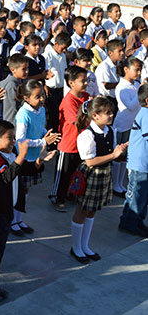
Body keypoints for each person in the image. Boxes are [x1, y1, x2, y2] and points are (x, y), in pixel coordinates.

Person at [0, 120, 51, 303]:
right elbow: (6, 178)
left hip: (5, 213)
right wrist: (21, 156)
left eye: (13, 137)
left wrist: (40, 159)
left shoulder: (11, 155)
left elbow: (25, 169)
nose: (13, 141)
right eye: (9, 138)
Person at [70, 97, 128, 263]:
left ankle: (85, 245)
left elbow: (113, 153)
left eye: (111, 112)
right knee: (81, 210)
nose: (111, 115)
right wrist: (113, 155)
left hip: (104, 174)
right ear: (95, 115)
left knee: (92, 210)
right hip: (91, 175)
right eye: (107, 113)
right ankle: (76, 247)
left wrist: (119, 151)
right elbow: (89, 161)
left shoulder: (111, 131)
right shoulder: (87, 135)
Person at [12, 81, 60, 236]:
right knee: (19, 190)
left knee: (25, 190)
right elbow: (21, 140)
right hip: (25, 158)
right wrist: (43, 141)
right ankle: (14, 221)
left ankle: (19, 219)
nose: (42, 99)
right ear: (26, 98)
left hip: (35, 157)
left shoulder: (39, 111)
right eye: (37, 96)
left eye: (42, 95)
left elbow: (39, 128)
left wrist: (47, 134)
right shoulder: (24, 114)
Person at [50, 66, 90, 211]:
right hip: (68, 144)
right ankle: (56, 197)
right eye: (82, 81)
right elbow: (77, 122)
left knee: (76, 173)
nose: (86, 83)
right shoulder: (69, 101)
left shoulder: (86, 97)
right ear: (71, 82)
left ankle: (70, 194)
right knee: (63, 174)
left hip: (81, 144)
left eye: (86, 80)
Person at [119, 84, 148, 237]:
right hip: (139, 164)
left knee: (144, 196)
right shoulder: (146, 113)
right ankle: (128, 222)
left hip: (145, 164)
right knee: (136, 195)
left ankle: (138, 221)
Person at [113, 57, 142, 196]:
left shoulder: (135, 85)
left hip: (133, 125)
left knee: (126, 156)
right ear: (126, 70)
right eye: (136, 69)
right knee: (118, 154)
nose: (138, 73)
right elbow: (130, 106)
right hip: (122, 125)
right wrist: (140, 92)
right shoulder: (122, 87)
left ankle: (120, 184)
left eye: (140, 70)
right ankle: (114, 185)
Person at [43, 32, 71, 131]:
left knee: (59, 115)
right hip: (50, 90)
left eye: (66, 48)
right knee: (50, 116)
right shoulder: (47, 55)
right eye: (63, 48)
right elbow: (44, 73)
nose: (64, 50)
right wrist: (45, 86)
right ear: (56, 44)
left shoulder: (63, 55)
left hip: (61, 89)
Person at [0, 53, 29, 125]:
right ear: (13, 70)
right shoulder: (11, 85)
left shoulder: (21, 80)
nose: (27, 71)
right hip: (12, 123)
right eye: (24, 69)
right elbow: (16, 107)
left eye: (27, 68)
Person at [96, 39, 124, 106]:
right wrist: (122, 84)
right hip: (107, 100)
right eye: (119, 51)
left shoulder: (118, 64)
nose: (122, 53)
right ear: (110, 53)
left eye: (122, 50)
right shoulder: (104, 66)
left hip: (117, 98)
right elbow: (106, 85)